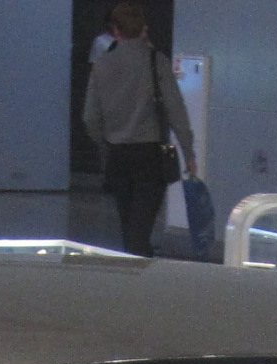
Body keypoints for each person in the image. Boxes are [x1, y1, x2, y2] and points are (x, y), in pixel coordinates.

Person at [82, 2, 191, 258]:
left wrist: (103, 141)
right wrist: (189, 151)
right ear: (143, 28)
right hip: (149, 153)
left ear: (115, 30)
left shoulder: (102, 65)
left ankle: (132, 263)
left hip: (117, 153)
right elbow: (175, 110)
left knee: (127, 220)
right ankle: (139, 266)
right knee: (141, 224)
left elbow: (89, 117)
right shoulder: (155, 61)